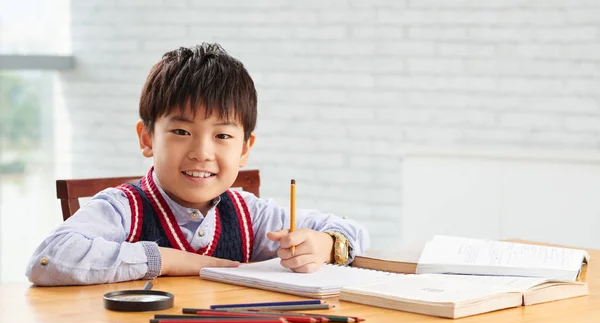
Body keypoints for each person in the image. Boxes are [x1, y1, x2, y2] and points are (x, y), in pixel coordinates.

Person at [26, 43, 369, 286]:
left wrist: (326, 245)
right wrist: (168, 260)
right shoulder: (124, 208)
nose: (201, 152)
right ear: (147, 139)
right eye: (181, 131)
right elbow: (48, 259)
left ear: (245, 149)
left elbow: (355, 231)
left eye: (222, 136)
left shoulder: (249, 215)